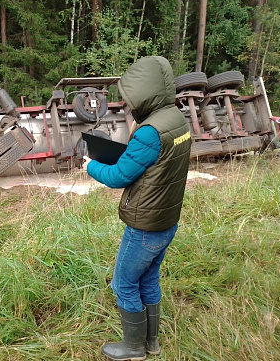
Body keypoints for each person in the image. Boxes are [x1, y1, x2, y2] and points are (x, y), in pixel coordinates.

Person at [84, 56, 192, 360]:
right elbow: (154, 162)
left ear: (144, 92)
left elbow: (119, 177)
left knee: (124, 283)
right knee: (148, 279)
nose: (126, 104)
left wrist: (91, 165)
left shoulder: (149, 131)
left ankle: (133, 348)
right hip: (167, 219)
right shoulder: (176, 119)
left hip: (145, 224)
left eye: (130, 98)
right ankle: (152, 343)